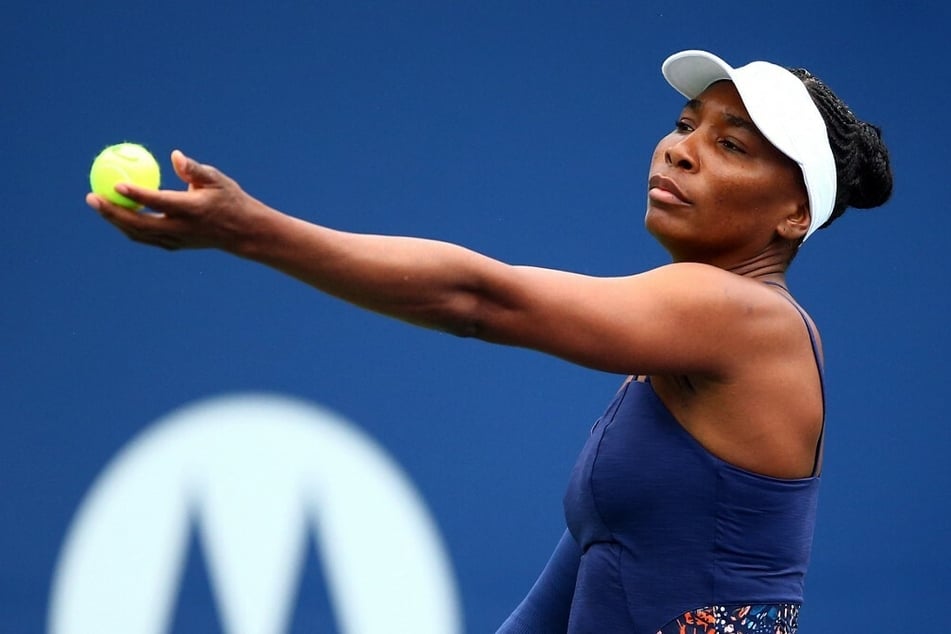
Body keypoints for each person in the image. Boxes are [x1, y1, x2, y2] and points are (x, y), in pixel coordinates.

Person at [87, 50, 892, 633]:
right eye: (684, 124)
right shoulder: (679, 350)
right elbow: (587, 576)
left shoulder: (738, 315)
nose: (679, 147)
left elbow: (475, 299)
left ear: (794, 216)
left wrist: (254, 232)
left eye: (731, 146)